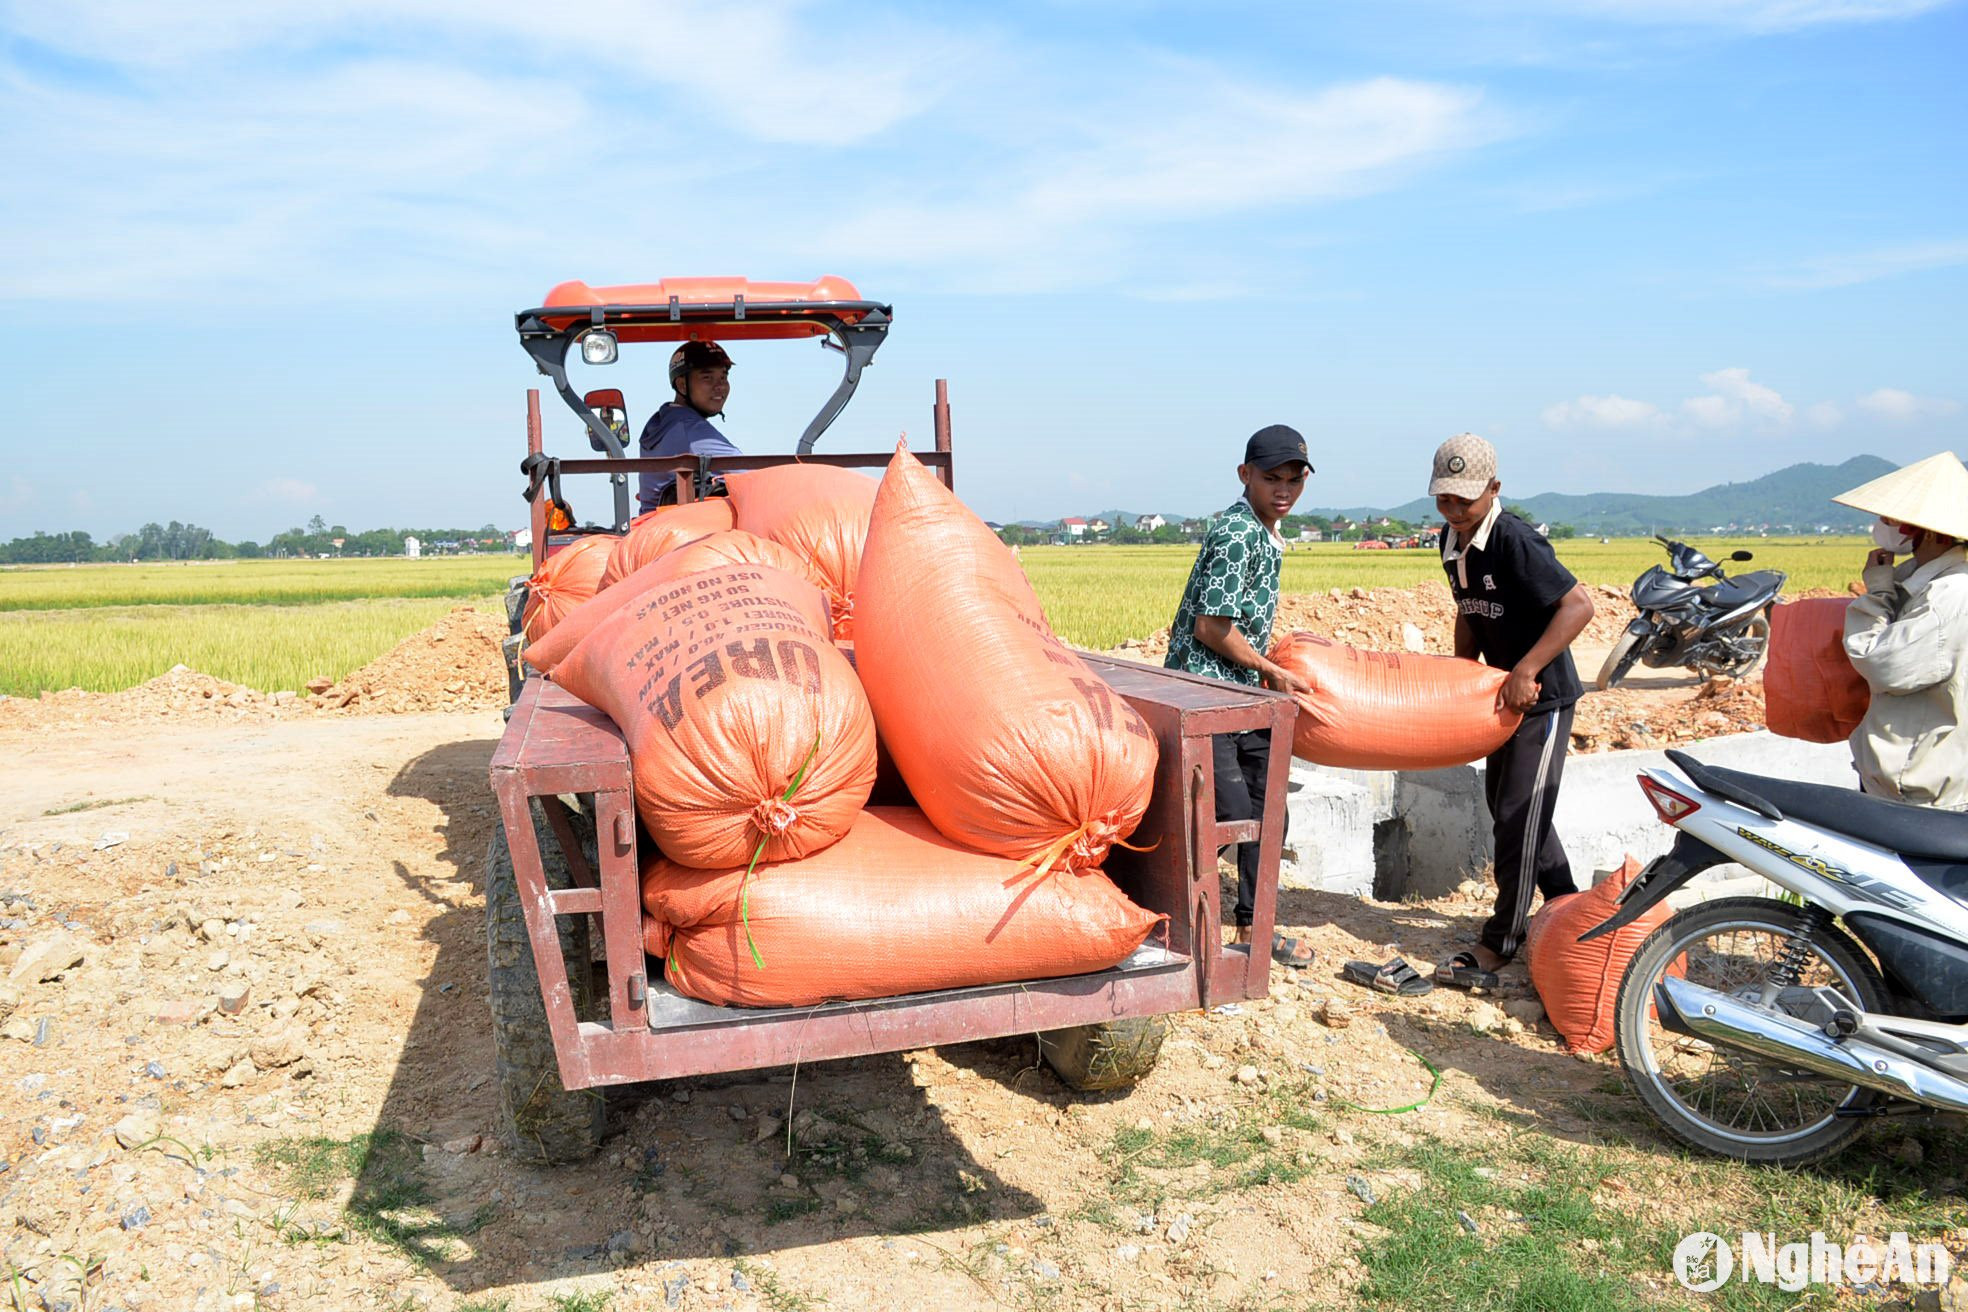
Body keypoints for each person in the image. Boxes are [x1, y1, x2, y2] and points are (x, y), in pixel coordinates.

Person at [1426, 433, 1596, 991]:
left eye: (1464, 501)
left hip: (1541, 700)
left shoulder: (1515, 540)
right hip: (1498, 698)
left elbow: (1578, 606)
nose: (1453, 510)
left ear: (1493, 490)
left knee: (1521, 817)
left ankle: (1502, 940)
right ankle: (1570, 909)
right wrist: (1461, 671)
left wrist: (1528, 669)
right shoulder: (1452, 543)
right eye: (1443, 499)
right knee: (1510, 808)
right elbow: (1469, 612)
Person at [1164, 424, 1316, 964]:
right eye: (1271, 478)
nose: (1283, 490)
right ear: (1244, 475)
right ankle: (1172, 920)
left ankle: (1254, 927)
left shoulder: (1265, 531)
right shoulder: (1236, 533)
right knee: (1224, 813)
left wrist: (1263, 670)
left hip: (1239, 691)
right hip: (1207, 693)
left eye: (1294, 480)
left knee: (1267, 807)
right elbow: (1211, 627)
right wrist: (1270, 668)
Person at [1831, 451, 1968, 810]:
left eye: (1893, 518)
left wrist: (1876, 593)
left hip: (1923, 790)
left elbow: (1882, 663)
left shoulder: (1949, 595)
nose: (1884, 525)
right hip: (1910, 780)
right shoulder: (1922, 582)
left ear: (1927, 531)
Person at [636, 341, 744, 513]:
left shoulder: (663, 419)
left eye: (723, 377)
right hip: (676, 530)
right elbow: (751, 473)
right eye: (707, 378)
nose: (720, 386)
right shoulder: (690, 430)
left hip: (652, 524)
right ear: (682, 385)